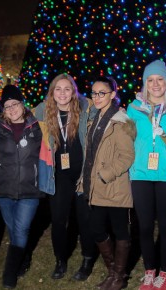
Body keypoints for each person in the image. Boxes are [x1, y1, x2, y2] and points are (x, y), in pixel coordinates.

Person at [33, 73, 98, 281]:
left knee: (85, 219)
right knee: (59, 220)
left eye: (67, 89)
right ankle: (60, 260)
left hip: (81, 174)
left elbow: (105, 105)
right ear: (52, 92)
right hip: (58, 175)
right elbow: (18, 115)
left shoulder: (84, 108)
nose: (62, 93)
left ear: (73, 92)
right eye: (58, 89)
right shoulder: (44, 110)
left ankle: (88, 259)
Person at [127, 59, 166, 290]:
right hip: (140, 173)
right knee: (145, 226)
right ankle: (150, 270)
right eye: (150, 80)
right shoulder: (133, 108)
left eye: (160, 79)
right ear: (144, 83)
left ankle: (165, 273)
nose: (155, 84)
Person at [80, 76, 135, 290]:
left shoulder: (120, 122)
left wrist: (105, 174)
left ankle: (118, 277)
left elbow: (127, 156)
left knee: (120, 231)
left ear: (113, 94)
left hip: (113, 186)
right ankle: (114, 273)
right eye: (94, 93)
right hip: (96, 186)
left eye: (102, 93)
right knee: (97, 229)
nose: (97, 97)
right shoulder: (95, 119)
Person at [0, 85, 43, 289]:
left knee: (21, 228)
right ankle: (23, 257)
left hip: (30, 188)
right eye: (7, 106)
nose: (12, 109)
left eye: (15, 104)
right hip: (4, 189)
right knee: (13, 230)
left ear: (23, 105)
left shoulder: (38, 127)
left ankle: (9, 274)